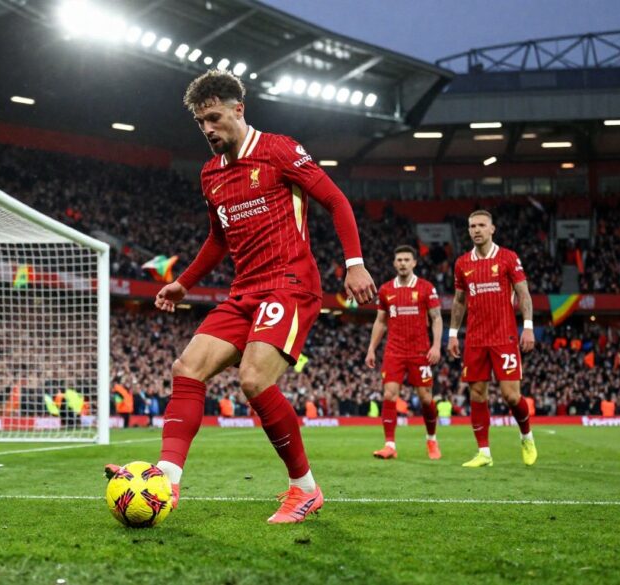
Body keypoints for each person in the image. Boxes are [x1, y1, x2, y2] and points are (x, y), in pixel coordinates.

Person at [110, 70, 375, 524]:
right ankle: (167, 480)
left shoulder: (279, 150)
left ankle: (305, 490)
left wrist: (354, 264)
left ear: (239, 109)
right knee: (186, 367)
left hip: (291, 282)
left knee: (254, 379)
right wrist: (184, 283)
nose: (208, 129)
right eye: (200, 123)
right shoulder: (211, 174)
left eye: (214, 118)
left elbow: (336, 201)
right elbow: (218, 238)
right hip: (244, 290)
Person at [448, 210, 537, 467]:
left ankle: (526, 436)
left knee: (511, 396)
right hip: (475, 339)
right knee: (477, 394)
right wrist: (453, 334)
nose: (476, 230)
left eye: (481, 225)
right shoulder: (463, 263)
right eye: (472, 226)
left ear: (492, 229)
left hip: (504, 337)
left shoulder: (508, 258)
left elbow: (524, 295)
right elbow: (459, 301)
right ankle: (484, 453)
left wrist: (528, 327)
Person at [365, 245, 443, 460]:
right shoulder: (386, 290)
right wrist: (372, 348)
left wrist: (436, 346)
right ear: (394, 263)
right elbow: (380, 322)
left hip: (420, 351)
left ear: (414, 262)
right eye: (399, 260)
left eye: (406, 259)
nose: (402, 263)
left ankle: (431, 440)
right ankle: (389, 445)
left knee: (426, 398)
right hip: (394, 351)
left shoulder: (427, 288)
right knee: (389, 394)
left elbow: (436, 318)